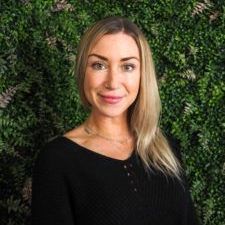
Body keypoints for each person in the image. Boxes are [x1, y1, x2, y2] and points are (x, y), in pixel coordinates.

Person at [31, 16, 199, 225]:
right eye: (99, 65)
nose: (112, 82)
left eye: (127, 66)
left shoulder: (166, 149)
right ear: (83, 70)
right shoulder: (57, 160)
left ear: (142, 74)